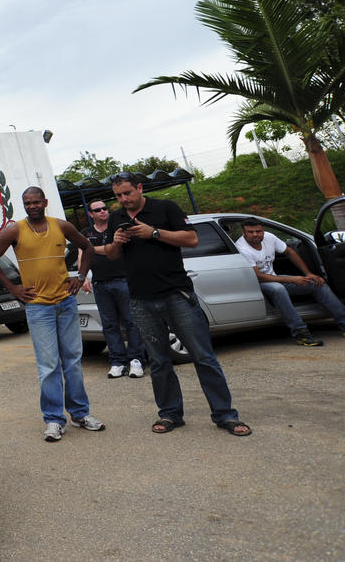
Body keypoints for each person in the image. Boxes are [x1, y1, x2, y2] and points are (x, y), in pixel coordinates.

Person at [106, 173, 251, 436]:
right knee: (160, 362)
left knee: (203, 357)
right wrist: (116, 243)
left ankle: (225, 415)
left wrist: (154, 233)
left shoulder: (165, 208)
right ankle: (170, 414)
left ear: (140, 188)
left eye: (127, 193)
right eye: (118, 196)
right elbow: (114, 256)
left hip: (176, 295)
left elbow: (192, 239)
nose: (123, 199)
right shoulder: (117, 218)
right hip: (141, 300)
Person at [0, 186, 105, 442]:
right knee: (49, 365)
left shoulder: (61, 226)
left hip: (65, 303)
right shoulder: (14, 230)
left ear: (45, 202)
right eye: (27, 203)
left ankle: (80, 414)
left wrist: (80, 276)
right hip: (38, 307)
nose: (32, 206)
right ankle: (53, 419)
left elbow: (88, 248)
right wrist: (13, 288)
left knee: (72, 361)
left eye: (36, 202)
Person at [233, 218, 345, 346]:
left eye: (258, 231)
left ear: (263, 231)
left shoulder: (269, 237)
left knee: (316, 283)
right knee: (278, 289)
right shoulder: (242, 248)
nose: (255, 235)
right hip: (256, 283)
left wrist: (308, 273)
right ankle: (300, 332)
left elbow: (289, 252)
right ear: (244, 233)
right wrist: (292, 279)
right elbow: (259, 277)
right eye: (250, 232)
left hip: (273, 277)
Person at [81, 199, 147, 379]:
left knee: (131, 321)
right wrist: (83, 275)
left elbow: (111, 248)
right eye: (98, 209)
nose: (103, 211)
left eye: (104, 208)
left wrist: (92, 249)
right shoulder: (86, 232)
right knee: (109, 325)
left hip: (123, 280)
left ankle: (136, 360)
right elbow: (82, 253)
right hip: (100, 284)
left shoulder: (118, 228)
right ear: (91, 214)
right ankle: (117, 361)